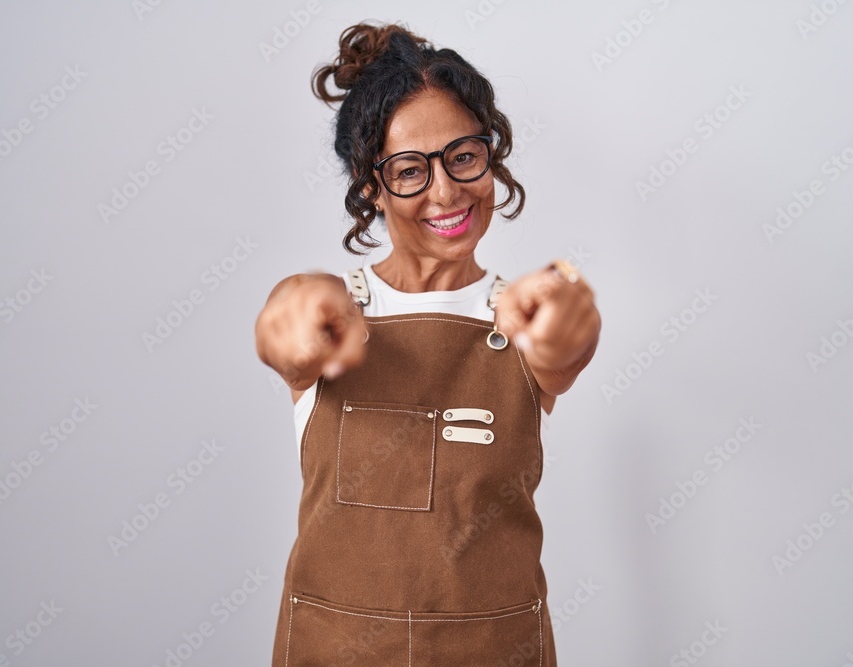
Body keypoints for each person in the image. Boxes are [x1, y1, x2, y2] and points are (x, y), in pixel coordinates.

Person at [255, 22, 600, 666]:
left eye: (463, 156)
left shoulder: (524, 317)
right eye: (411, 170)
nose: (445, 192)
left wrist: (571, 318)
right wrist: (295, 310)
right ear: (370, 186)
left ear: (489, 157)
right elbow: (286, 335)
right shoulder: (329, 310)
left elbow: (567, 344)